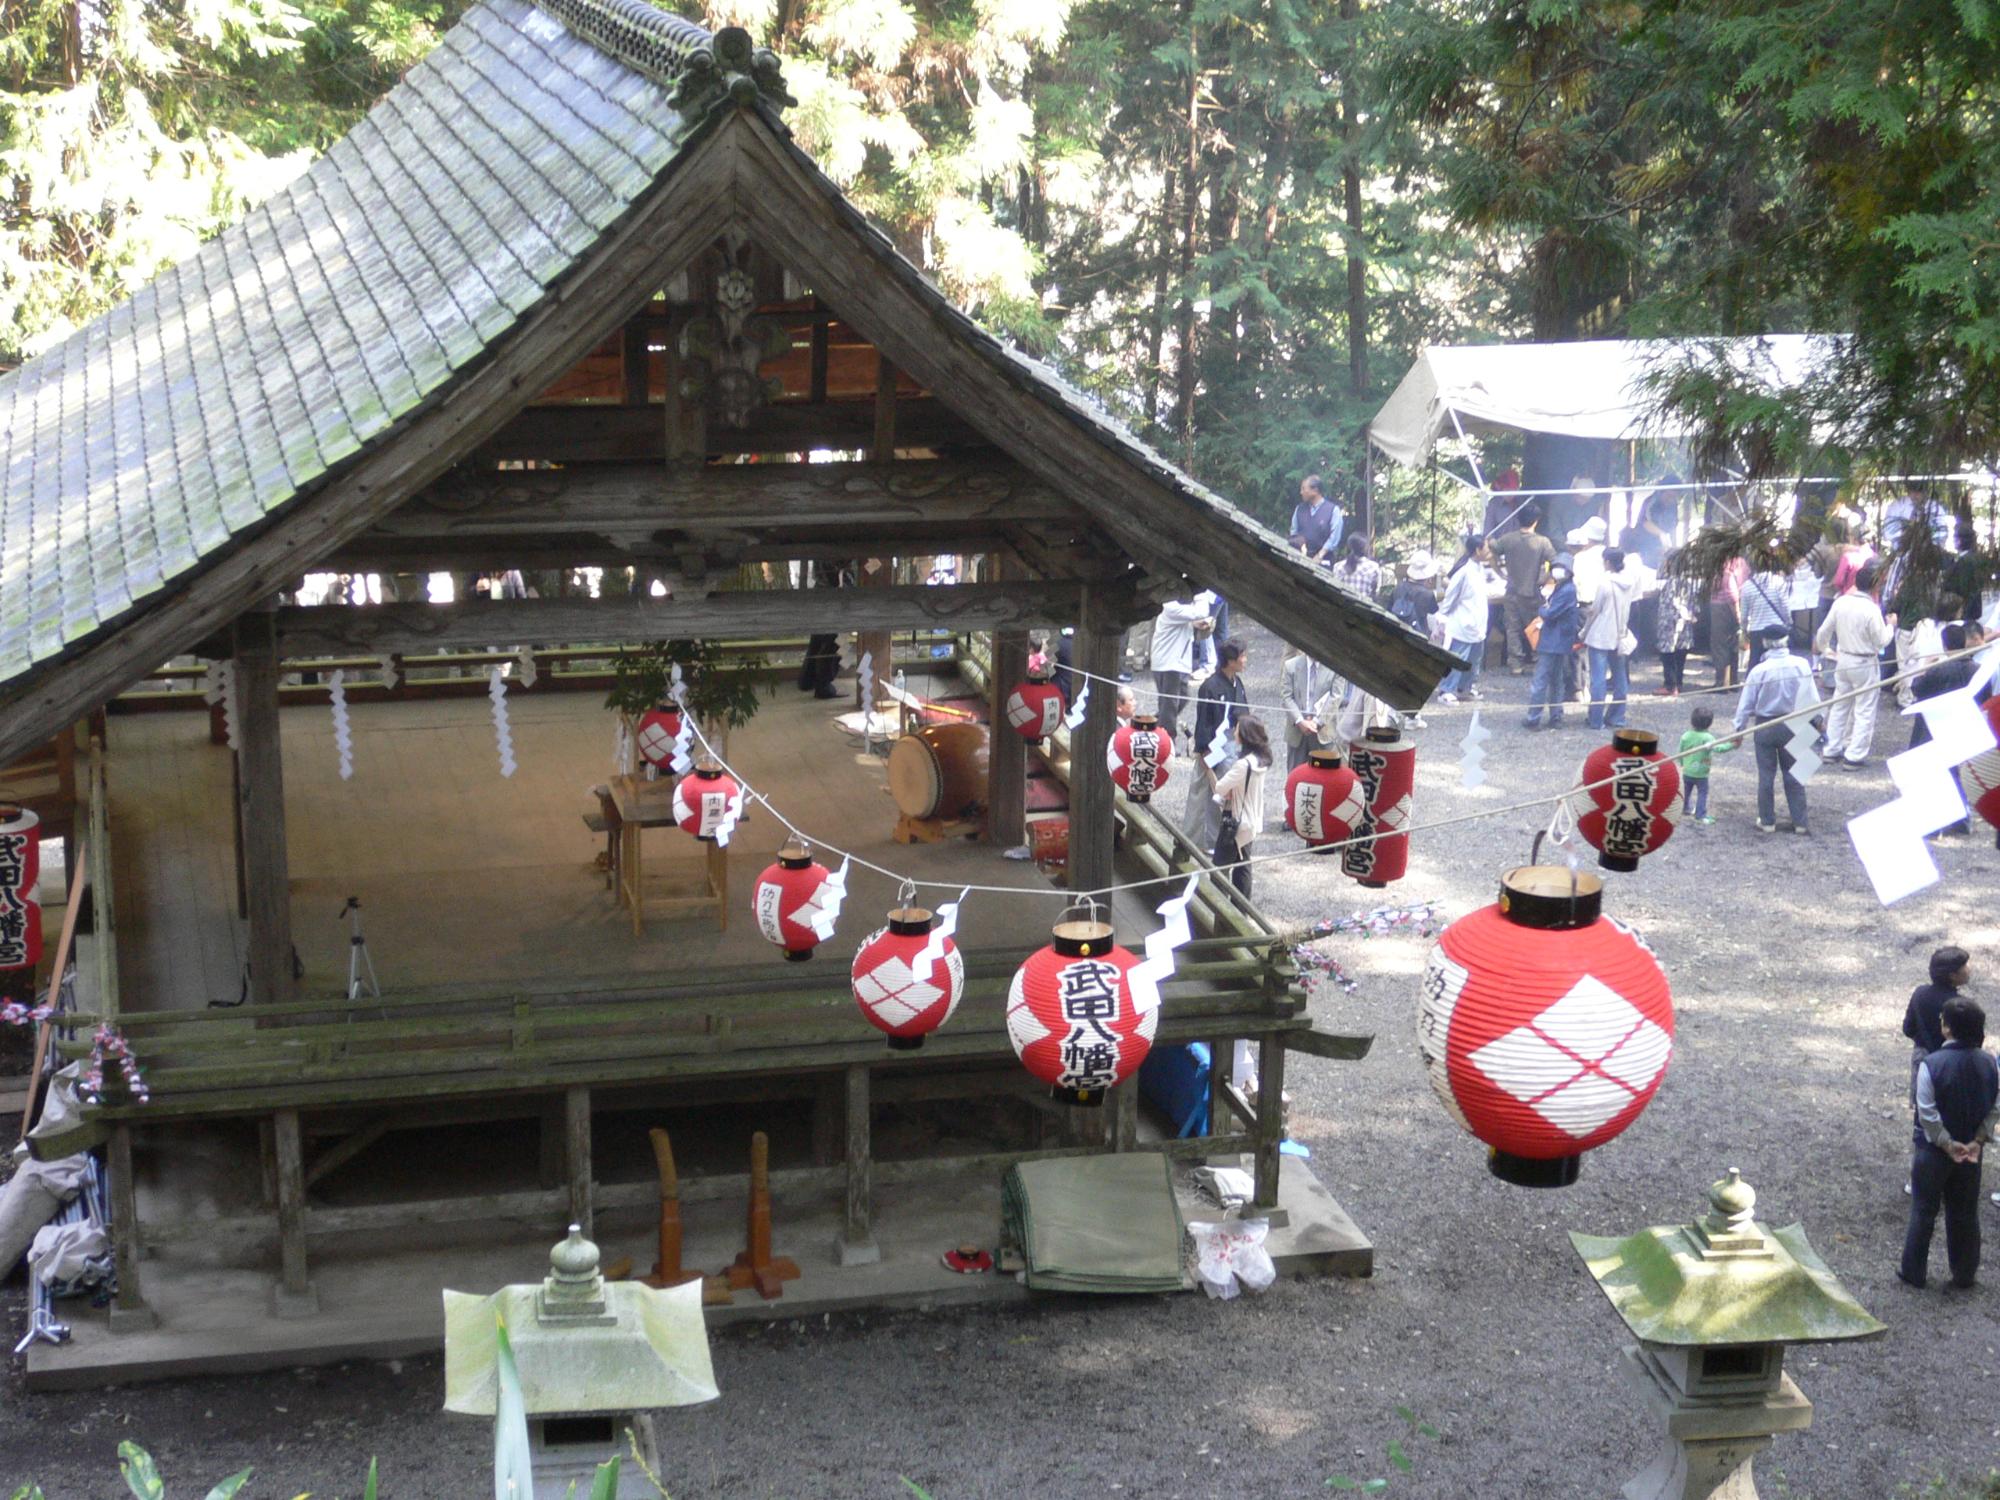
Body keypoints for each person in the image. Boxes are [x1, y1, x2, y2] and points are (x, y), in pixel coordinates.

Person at [1899, 996, 1998, 1290]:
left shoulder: (1933, 1064)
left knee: (1923, 1210)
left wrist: (1946, 1143)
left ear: (1947, 1029)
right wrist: (1978, 1139)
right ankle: (1964, 1273)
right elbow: (1996, 1105)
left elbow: (1927, 1111)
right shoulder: (1990, 1062)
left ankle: (1913, 1271)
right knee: (1965, 1212)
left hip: (1933, 1152)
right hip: (1971, 1150)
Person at [1732, 624, 1820, 834]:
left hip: (1766, 725)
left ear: (1764, 643)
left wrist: (1738, 730)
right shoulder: (1801, 665)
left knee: (1766, 775)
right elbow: (1812, 697)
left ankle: (1768, 821)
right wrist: (1818, 720)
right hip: (1796, 722)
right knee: (1796, 774)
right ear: (1786, 640)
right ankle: (1800, 822)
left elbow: (1746, 704)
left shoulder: (1758, 671)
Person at [1814, 561, 1896, 768]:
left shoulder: (1841, 602)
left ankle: (1831, 749)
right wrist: (1891, 626)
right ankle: (1854, 755)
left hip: (1843, 659)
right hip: (1864, 661)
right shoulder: (1872, 609)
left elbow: (1823, 631)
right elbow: (1881, 641)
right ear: (1875, 586)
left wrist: (1825, 650)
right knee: (1864, 709)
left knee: (1840, 705)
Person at [1183, 640, 1250, 852]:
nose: (1245, 660)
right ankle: (1198, 841)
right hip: (1212, 745)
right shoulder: (1210, 686)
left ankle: (1219, 840)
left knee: (1227, 794)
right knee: (1205, 794)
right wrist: (1204, 752)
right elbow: (1204, 722)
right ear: (1230, 660)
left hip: (1232, 743)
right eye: (1242, 656)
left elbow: (1243, 713)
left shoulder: (1236, 683)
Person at [1211, 715, 1274, 898]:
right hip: (1251, 819)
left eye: (1237, 729)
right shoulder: (1260, 760)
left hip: (1235, 821)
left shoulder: (1242, 764)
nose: (1235, 732)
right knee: (1243, 865)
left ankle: (1219, 906)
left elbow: (1219, 787)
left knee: (1219, 866)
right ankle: (1241, 909)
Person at [1903, 946, 1970, 1112]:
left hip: (1923, 1058)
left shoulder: (1920, 994)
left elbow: (1908, 1028)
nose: (1969, 969)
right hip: (1952, 1063)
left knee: (1923, 1109)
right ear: (1953, 976)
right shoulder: (1960, 1005)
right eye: (1965, 966)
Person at [1582, 545, 1639, 730]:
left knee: (1598, 680)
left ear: (1607, 562)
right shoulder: (1630, 582)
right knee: (1620, 678)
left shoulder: (1605, 584)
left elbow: (1595, 611)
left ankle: (1596, 719)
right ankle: (1617, 716)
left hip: (1600, 635)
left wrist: (1583, 632)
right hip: (1619, 634)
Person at [1147, 590, 1215, 742]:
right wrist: (1201, 592)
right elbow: (1202, 611)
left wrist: (1195, 624)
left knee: (1182, 698)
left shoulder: (1175, 608)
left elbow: (1189, 619)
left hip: (1177, 663)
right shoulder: (1170, 606)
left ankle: (1150, 725)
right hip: (1169, 663)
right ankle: (1167, 742)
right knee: (1170, 706)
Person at [1494, 504, 1555, 673]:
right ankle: (1537, 660)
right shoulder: (1543, 542)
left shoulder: (1507, 539)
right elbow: (1556, 563)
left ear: (1518, 519)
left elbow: (1491, 550)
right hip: (1534, 592)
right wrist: (1545, 579)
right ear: (1536, 521)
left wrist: (1498, 571)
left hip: (1512, 590)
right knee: (1535, 626)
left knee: (1512, 628)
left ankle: (1515, 664)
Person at [1524, 552, 1581, 730]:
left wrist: (1542, 609)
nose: (1556, 571)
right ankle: (1556, 716)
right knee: (1557, 680)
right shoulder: (1565, 587)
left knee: (1541, 680)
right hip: (1561, 641)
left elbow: (1550, 613)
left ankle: (1534, 717)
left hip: (1552, 642)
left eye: (1560, 568)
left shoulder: (1566, 590)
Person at [1435, 534, 1492, 705]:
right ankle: (1446, 689)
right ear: (1478, 550)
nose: (1489, 550)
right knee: (1458, 658)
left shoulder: (1480, 568)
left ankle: (1464, 688)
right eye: (1486, 547)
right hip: (1462, 623)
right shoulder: (1464, 571)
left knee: (1474, 661)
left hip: (1478, 624)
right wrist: (1442, 617)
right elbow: (1451, 596)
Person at [1653, 550, 1702, 697]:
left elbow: (1670, 602)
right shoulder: (1689, 581)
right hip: (1685, 623)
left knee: (1668, 654)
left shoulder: (1672, 582)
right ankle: (1678, 683)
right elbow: (1695, 603)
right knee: (1681, 654)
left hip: (1670, 623)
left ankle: (1670, 685)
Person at [1281, 646, 1338, 771]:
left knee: (1325, 778)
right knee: (1295, 777)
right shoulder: (1290, 666)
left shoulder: (1335, 668)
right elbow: (1286, 697)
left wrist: (1317, 722)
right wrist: (1300, 721)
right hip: (1297, 732)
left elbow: (1335, 698)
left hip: (1323, 731)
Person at [1676, 706, 1735, 825]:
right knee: (1702, 793)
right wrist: (1732, 745)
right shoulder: (1708, 738)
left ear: (1692, 721)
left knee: (1686, 791)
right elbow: (1719, 748)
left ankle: (1684, 807)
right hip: (1702, 773)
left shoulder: (1686, 735)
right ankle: (1700, 814)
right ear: (1709, 724)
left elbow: (1680, 752)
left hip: (1687, 771)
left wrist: (1682, 764)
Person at [1740, 565, 1793, 674]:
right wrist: (1788, 622)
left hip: (1756, 629)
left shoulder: (1747, 586)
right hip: (1777, 628)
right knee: (1778, 661)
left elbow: (1744, 614)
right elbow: (1785, 606)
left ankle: (1753, 686)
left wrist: (1744, 630)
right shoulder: (1779, 582)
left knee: (1755, 662)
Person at [1289, 475, 1344, 566]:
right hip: (1300, 560)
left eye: (1303, 489)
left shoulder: (1333, 510)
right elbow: (1294, 533)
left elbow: (1334, 537)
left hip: (1324, 562)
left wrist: (1320, 555)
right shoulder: (1299, 509)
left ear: (1315, 490)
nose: (1301, 492)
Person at [1709, 556, 1747, 688]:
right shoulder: (1741, 564)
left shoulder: (1725, 574)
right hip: (1729, 610)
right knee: (1732, 647)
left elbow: (1733, 597)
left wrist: (1737, 615)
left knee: (1720, 647)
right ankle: (1732, 680)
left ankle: (1722, 683)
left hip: (1722, 611)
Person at [1331, 534, 1381, 603]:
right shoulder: (1373, 567)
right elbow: (1375, 593)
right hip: (1364, 608)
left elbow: (1335, 590)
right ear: (1365, 548)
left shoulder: (1338, 566)